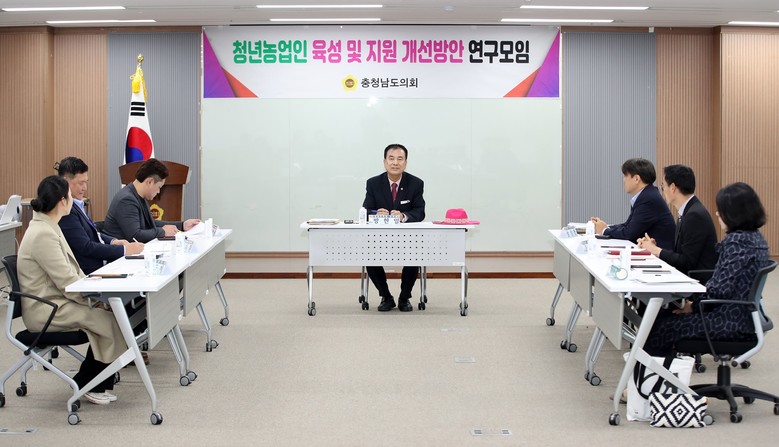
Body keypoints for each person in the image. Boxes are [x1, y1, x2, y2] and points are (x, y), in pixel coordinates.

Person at [17, 175, 126, 405]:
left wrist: (96, 297)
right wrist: (94, 301)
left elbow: (70, 275)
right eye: (69, 196)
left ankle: (95, 380)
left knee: (111, 315)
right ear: (61, 201)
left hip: (57, 302)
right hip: (46, 309)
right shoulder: (43, 233)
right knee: (108, 319)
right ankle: (88, 383)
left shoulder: (49, 226)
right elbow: (67, 281)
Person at [644, 182, 770, 356]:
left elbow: (719, 290)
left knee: (657, 326)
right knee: (663, 319)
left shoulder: (737, 243)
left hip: (727, 322)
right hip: (743, 318)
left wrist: (693, 307)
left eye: (721, 210)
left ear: (734, 213)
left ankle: (648, 373)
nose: (717, 214)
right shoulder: (756, 239)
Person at [362, 143, 425, 312]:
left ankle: (405, 298)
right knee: (369, 257)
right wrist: (376, 213)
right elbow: (366, 211)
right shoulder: (373, 183)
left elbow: (420, 211)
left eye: (400, 159)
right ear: (384, 162)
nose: (395, 163)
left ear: (405, 162)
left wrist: (403, 216)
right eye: (391, 159)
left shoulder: (416, 183)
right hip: (379, 238)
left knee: (414, 257)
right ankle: (386, 297)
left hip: (407, 238)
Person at [56, 157, 144, 275]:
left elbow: (92, 233)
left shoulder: (76, 204)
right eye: (81, 183)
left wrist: (113, 241)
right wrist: (124, 250)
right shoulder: (66, 211)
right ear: (65, 181)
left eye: (86, 182)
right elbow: (85, 247)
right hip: (89, 273)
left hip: (101, 266)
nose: (85, 188)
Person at [637, 164, 718, 274]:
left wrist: (656, 250)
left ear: (672, 187)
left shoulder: (694, 216)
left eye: (663, 186)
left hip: (696, 281)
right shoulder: (689, 211)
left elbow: (687, 262)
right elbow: (680, 255)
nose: (663, 191)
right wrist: (655, 248)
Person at [103, 158, 200, 243]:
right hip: (120, 255)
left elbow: (150, 223)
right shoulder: (126, 200)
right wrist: (163, 232)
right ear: (149, 182)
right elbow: (135, 235)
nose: (158, 192)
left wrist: (182, 225)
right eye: (159, 187)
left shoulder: (138, 196)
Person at [591, 158, 676, 250]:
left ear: (636, 179)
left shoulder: (648, 199)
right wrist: (605, 226)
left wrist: (604, 230)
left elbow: (629, 233)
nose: (624, 180)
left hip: (660, 256)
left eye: (625, 176)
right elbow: (628, 225)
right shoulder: (647, 194)